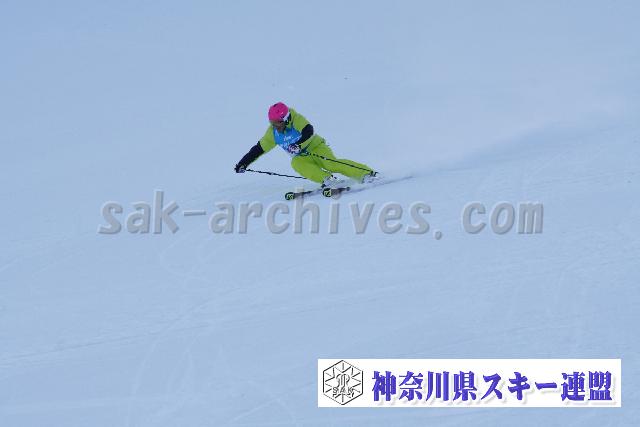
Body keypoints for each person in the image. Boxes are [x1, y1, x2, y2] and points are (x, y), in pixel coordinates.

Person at [234, 102, 377, 187]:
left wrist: (298, 144)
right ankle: (328, 180)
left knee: (330, 164)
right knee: (296, 163)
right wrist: (243, 163)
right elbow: (258, 149)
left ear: (286, 118)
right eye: (272, 123)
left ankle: (366, 173)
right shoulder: (273, 133)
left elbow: (308, 130)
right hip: (301, 156)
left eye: (278, 122)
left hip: (316, 147)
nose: (275, 126)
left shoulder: (296, 119)